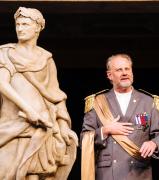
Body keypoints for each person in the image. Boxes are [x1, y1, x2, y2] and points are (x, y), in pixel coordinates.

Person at [0, 7, 78, 180]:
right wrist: (28, 110)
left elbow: (56, 95)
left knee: (37, 175)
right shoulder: (5, 53)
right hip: (12, 126)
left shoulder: (46, 59)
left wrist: (64, 125)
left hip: (42, 128)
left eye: (25, 24)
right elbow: (2, 84)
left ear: (37, 28)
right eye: (18, 24)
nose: (20, 28)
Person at [81, 53, 159, 180]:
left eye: (127, 69)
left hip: (138, 173)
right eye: (119, 70)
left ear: (132, 72)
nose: (124, 73)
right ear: (109, 75)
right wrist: (105, 130)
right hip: (107, 175)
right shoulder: (97, 102)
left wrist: (154, 143)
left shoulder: (148, 102)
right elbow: (84, 139)